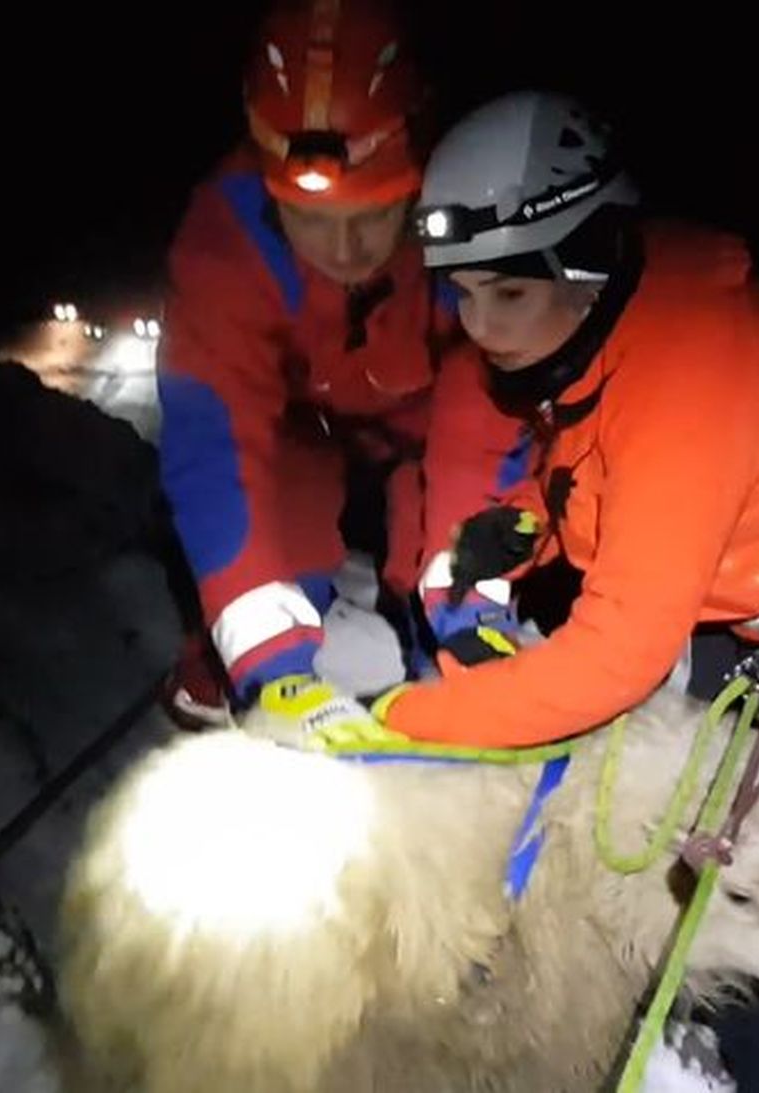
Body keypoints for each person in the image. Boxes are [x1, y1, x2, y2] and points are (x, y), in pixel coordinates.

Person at [261, 89, 759, 1090]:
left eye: (508, 293)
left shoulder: (690, 378)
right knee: (644, 810)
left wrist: (407, 717)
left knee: (731, 861)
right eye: (464, 291)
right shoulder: (601, 332)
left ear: (583, 262)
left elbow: (614, 658)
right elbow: (606, 491)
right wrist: (522, 544)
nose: (479, 326)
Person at [155, 0, 525, 725]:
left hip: (429, 430)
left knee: (449, 576)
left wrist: (470, 599)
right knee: (272, 541)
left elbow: (486, 419)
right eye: (312, 221)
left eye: (376, 214)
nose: (346, 251)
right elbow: (216, 446)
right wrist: (266, 658)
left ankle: (447, 696)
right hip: (307, 427)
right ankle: (227, 675)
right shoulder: (225, 238)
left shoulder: (471, 222)